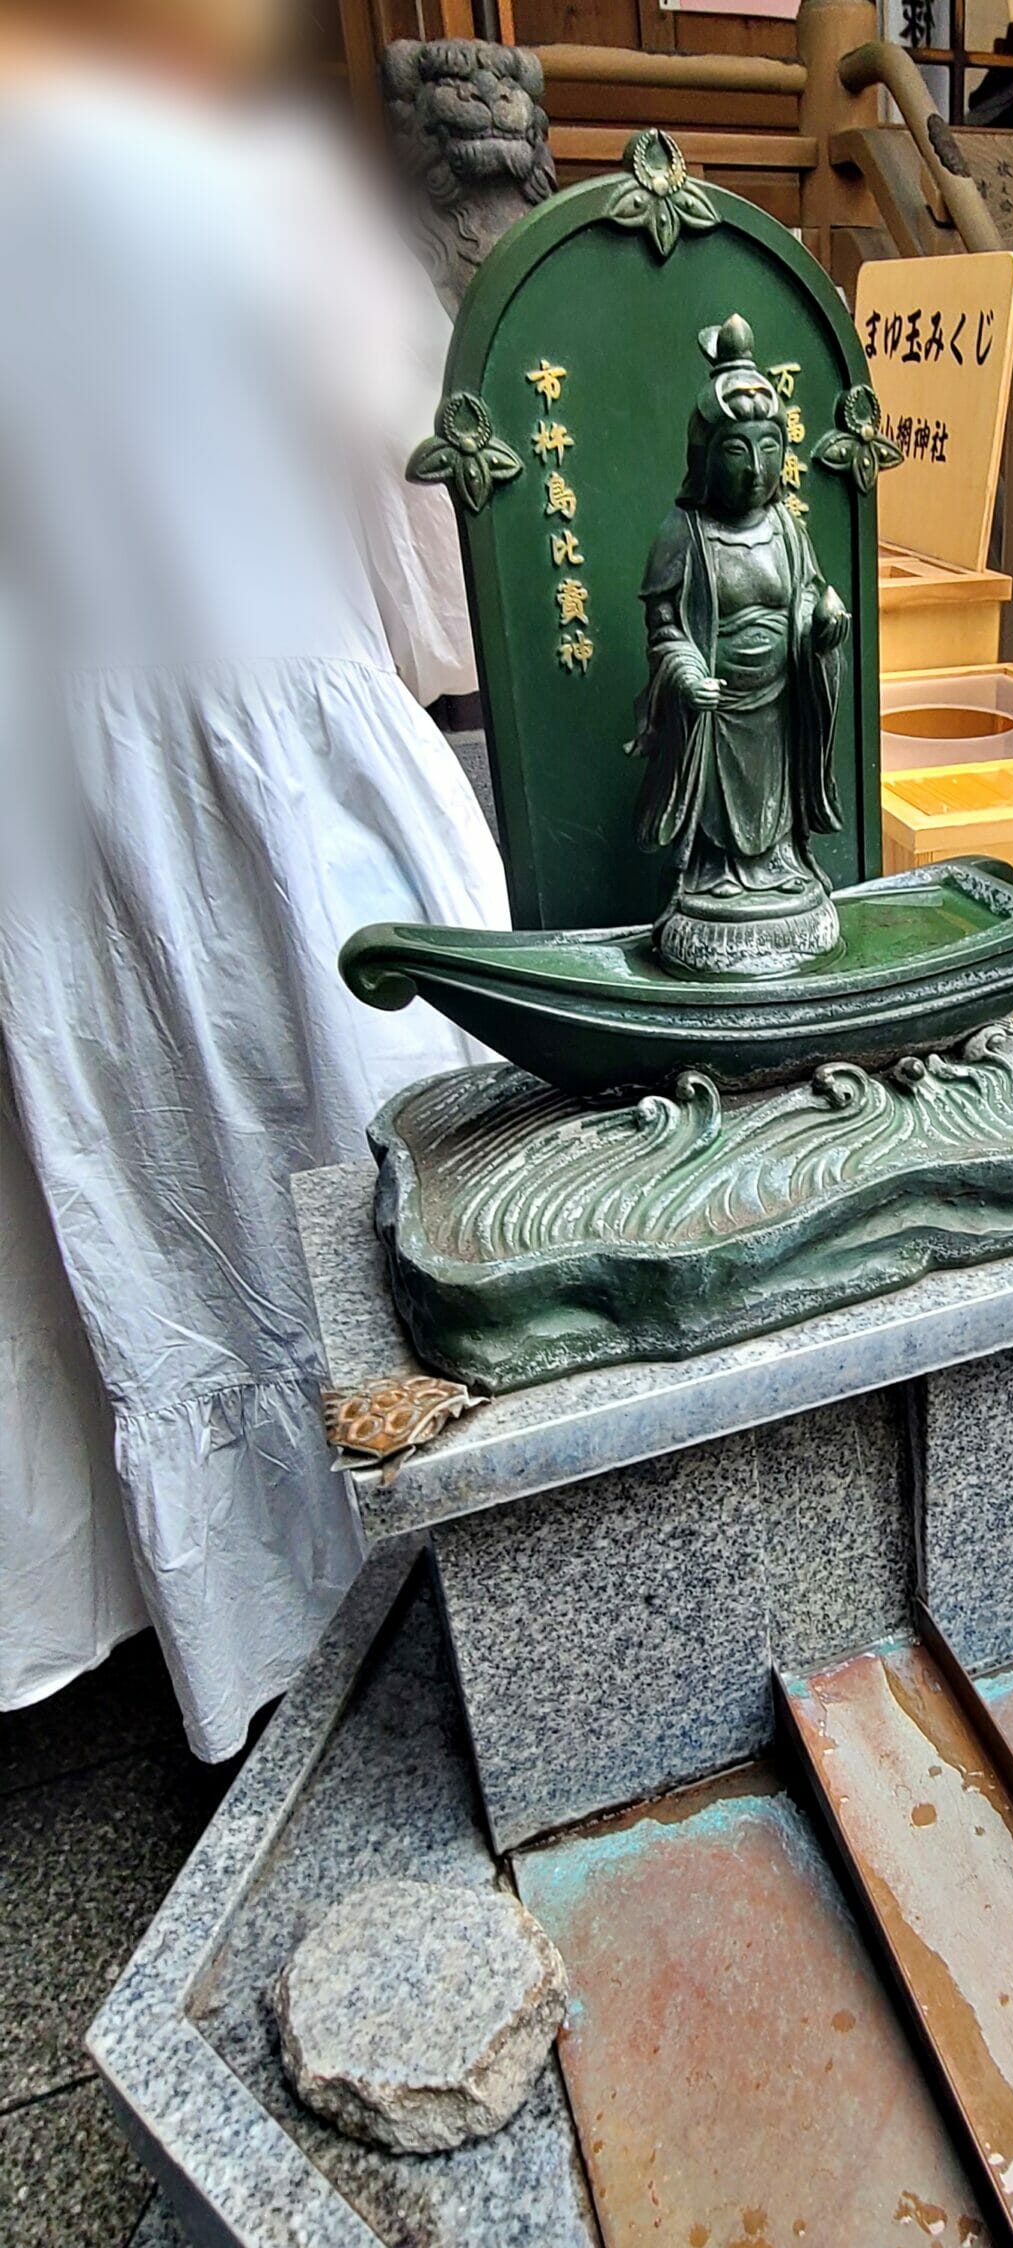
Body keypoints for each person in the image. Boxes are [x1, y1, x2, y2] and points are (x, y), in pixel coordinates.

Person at [0, 0, 510, 1757]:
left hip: (58, 796)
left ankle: (221, 1629)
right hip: (283, 749)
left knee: (138, 1214)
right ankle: (451, 1590)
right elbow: (433, 490)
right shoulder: (251, 187)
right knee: (379, 1157)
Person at [631, 315, 848, 978]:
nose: (755, 469)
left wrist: (823, 618)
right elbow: (664, 622)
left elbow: (807, 593)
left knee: (775, 805)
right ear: (705, 454)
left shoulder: (786, 525)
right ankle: (718, 871)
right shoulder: (683, 531)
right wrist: (686, 670)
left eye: (768, 448)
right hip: (718, 707)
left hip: (781, 697)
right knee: (720, 812)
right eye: (736, 450)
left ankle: (778, 862)